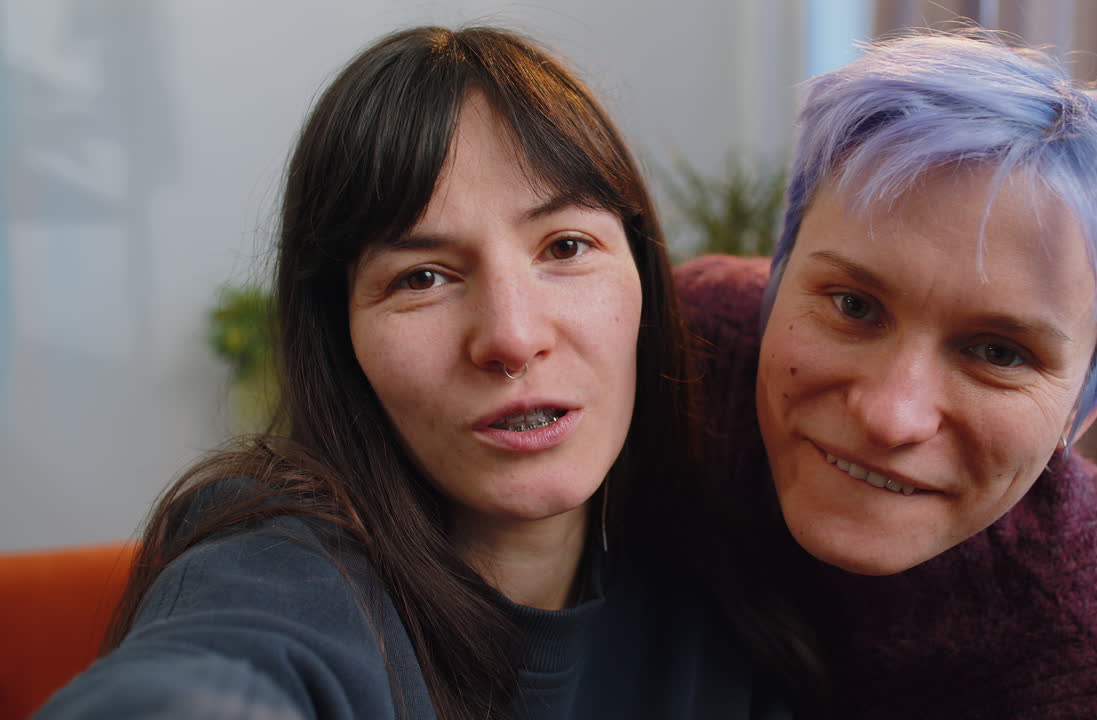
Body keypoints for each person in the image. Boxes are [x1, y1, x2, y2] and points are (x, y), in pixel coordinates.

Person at [38, 26, 788, 720]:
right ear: (343, 337)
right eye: (422, 277)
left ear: (645, 278)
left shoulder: (727, 581)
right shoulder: (288, 567)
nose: (512, 337)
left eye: (564, 247)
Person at [678, 30, 1097, 718]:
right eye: (854, 306)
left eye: (1000, 354)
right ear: (774, 283)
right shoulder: (687, 347)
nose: (891, 416)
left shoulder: (1087, 669)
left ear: (1085, 409)